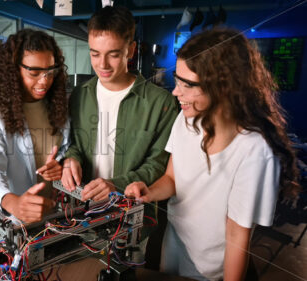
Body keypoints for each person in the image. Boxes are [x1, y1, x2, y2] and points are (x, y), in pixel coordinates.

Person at [124, 28, 299, 280]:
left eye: (188, 85)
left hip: (213, 266)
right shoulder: (186, 120)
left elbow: (237, 236)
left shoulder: (254, 149)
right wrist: (148, 191)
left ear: (222, 86)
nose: (176, 92)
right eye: (177, 80)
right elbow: (172, 179)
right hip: (174, 242)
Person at [61, 5, 178, 260]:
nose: (102, 64)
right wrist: (71, 159)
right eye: (94, 54)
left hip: (134, 223)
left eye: (113, 55)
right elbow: (75, 145)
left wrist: (116, 185)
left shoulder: (161, 103)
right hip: (84, 218)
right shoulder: (80, 95)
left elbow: (158, 165)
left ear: (131, 50)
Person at [0, 29, 70, 223]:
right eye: (34, 72)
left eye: (50, 71)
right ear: (13, 70)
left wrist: (61, 165)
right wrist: (12, 203)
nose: (44, 81)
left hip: (59, 214)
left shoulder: (60, 107)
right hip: (18, 221)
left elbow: (68, 149)